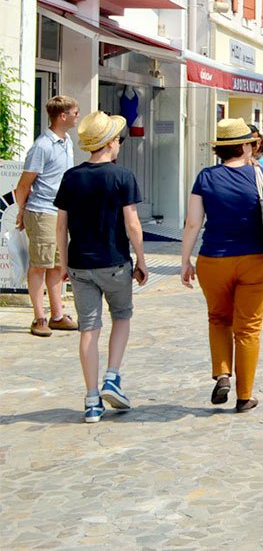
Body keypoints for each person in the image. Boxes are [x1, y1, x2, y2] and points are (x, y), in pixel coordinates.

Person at [180, 117, 263, 413]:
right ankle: (245, 395)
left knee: (218, 318)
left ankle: (222, 373)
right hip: (255, 260)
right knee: (248, 327)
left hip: (213, 259)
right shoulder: (261, 174)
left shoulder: (205, 177)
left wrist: (185, 262)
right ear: (244, 146)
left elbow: (193, 223)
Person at [53, 111, 147, 423]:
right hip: (115, 262)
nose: (119, 143)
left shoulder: (71, 177)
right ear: (108, 143)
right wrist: (142, 260)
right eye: (118, 139)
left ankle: (92, 399)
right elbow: (132, 224)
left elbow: (61, 226)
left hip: (80, 264)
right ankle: (112, 376)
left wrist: (63, 263)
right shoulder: (122, 176)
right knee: (121, 317)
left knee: (88, 329)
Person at [15, 95, 80, 336]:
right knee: (39, 264)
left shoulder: (67, 141)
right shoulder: (42, 146)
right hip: (42, 211)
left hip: (60, 211)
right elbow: (24, 184)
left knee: (55, 265)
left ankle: (57, 314)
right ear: (62, 116)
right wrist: (22, 211)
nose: (77, 116)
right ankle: (39, 317)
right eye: (75, 113)